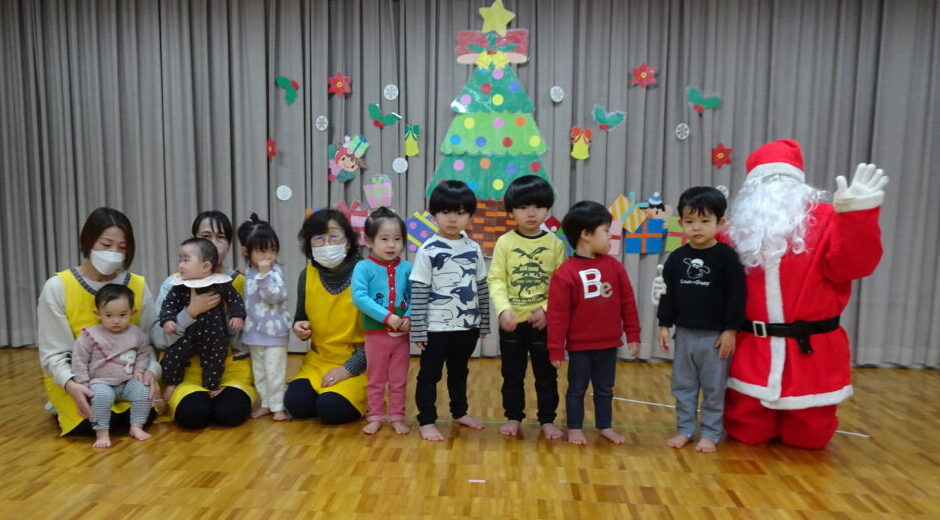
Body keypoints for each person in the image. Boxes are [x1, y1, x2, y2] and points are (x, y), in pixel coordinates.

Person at [652, 139, 888, 449]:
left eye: (783, 178)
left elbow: (856, 265)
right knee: (747, 432)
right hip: (752, 354)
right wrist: (670, 292)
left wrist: (857, 215)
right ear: (751, 187)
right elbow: (704, 278)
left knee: (810, 438)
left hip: (810, 355)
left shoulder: (829, 219)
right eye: (766, 179)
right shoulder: (735, 231)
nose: (775, 188)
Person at [38, 207, 159, 437]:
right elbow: (53, 353)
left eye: (122, 247)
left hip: (128, 379)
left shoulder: (137, 285)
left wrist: (152, 371)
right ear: (88, 241)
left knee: (139, 414)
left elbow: (149, 342)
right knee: (91, 422)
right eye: (106, 244)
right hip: (81, 381)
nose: (114, 253)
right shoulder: (58, 287)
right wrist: (70, 383)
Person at [655, 187, 745, 453]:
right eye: (690, 221)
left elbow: (736, 296)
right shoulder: (676, 258)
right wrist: (664, 324)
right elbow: (668, 295)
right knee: (683, 385)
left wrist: (730, 330)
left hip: (715, 338)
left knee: (714, 388)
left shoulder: (727, 258)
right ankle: (684, 429)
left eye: (705, 221)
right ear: (681, 223)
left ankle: (710, 432)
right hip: (684, 334)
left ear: (720, 222)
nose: (697, 227)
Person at [151, 211, 257, 429]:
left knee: (231, 412)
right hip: (186, 371)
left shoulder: (238, 282)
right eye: (206, 236)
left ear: (229, 243)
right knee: (193, 415)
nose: (214, 244)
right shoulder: (174, 284)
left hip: (230, 369)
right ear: (193, 240)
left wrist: (229, 316)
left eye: (221, 237)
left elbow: (249, 343)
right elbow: (159, 339)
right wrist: (189, 313)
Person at [547, 201, 641, 446]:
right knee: (577, 388)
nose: (610, 236)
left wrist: (633, 334)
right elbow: (557, 316)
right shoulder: (565, 273)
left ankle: (605, 426)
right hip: (580, 347)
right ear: (586, 235)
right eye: (606, 231)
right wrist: (556, 348)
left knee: (605, 389)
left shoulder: (615, 267)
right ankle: (575, 427)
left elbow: (628, 303)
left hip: (608, 345)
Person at [410, 180, 491, 442]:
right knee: (429, 375)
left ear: (469, 215)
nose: (453, 219)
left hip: (467, 326)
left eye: (460, 212)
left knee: (459, 372)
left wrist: (484, 322)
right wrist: (418, 329)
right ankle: (426, 420)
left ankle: (460, 412)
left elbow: (481, 285)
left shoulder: (473, 248)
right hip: (436, 328)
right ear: (434, 214)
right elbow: (419, 290)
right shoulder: (428, 250)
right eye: (445, 212)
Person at [487, 175, 567, 440]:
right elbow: (496, 279)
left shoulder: (555, 245)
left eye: (538, 207)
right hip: (512, 324)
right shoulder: (505, 242)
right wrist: (503, 310)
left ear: (548, 208)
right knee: (512, 375)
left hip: (544, 324)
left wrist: (546, 310)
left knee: (546, 376)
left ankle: (547, 419)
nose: (531, 213)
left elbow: (560, 284)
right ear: (511, 211)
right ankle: (513, 416)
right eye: (523, 207)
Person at [285, 209, 368, 425]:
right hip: (318, 360)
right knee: (296, 405)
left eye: (333, 236)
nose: (326, 244)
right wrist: (300, 328)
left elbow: (378, 339)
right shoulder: (307, 274)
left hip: (357, 362)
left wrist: (348, 370)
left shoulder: (366, 273)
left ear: (348, 242)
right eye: (318, 238)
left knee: (330, 408)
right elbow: (300, 318)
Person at [159, 238, 246, 401]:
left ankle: (211, 386)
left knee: (216, 357)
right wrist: (168, 320)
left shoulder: (220, 284)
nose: (181, 265)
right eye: (180, 260)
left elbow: (235, 299)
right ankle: (171, 382)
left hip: (214, 333)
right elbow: (169, 304)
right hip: (187, 333)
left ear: (205, 266)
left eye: (186, 260)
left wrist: (237, 315)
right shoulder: (179, 286)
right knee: (173, 354)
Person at [351, 207, 413, 435]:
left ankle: (397, 416)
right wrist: (387, 317)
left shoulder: (407, 268)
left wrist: (408, 316)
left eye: (397, 239)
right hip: (375, 335)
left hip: (401, 336)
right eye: (384, 239)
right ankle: (375, 416)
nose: (391, 245)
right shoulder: (363, 267)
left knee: (398, 379)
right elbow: (359, 297)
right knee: (376, 378)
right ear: (369, 241)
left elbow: (415, 296)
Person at [71, 284, 154, 447]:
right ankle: (102, 433)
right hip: (100, 382)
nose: (116, 320)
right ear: (98, 314)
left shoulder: (137, 333)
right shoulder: (89, 336)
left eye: (123, 315)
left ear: (133, 312)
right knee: (101, 398)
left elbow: (144, 353)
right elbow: (79, 361)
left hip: (127, 381)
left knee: (143, 392)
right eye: (109, 315)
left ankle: (136, 426)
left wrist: (139, 370)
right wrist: (83, 384)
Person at [237, 214, 291, 421]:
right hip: (254, 332)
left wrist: (265, 274)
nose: (268, 256)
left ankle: (278, 406)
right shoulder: (250, 272)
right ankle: (266, 403)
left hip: (274, 333)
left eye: (272, 250)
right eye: (262, 251)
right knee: (259, 371)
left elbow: (273, 296)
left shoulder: (273, 273)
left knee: (275, 371)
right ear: (246, 251)